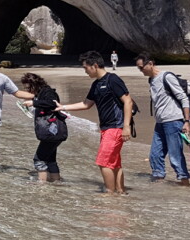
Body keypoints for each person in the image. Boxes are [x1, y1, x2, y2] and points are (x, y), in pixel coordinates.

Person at [57, 50, 133, 194]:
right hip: (106, 128)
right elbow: (86, 104)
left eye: (85, 67)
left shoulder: (113, 79)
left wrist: (126, 127)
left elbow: (127, 101)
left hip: (115, 127)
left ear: (95, 65)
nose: (85, 71)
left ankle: (109, 194)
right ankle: (121, 193)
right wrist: (63, 107)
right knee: (114, 163)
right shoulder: (96, 84)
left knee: (103, 162)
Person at [137, 52, 190, 185]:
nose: (140, 70)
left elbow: (183, 98)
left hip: (173, 121)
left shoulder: (166, 77)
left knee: (175, 156)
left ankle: (185, 183)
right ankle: (159, 184)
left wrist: (186, 121)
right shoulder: (151, 80)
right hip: (160, 122)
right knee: (155, 155)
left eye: (141, 67)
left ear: (150, 64)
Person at [21, 72, 65, 183]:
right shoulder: (42, 92)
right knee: (50, 160)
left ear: (34, 84)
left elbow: (52, 103)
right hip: (56, 133)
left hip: (52, 132)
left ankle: (42, 186)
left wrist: (34, 103)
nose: (28, 91)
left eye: (28, 88)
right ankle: (57, 182)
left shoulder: (47, 92)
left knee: (39, 159)